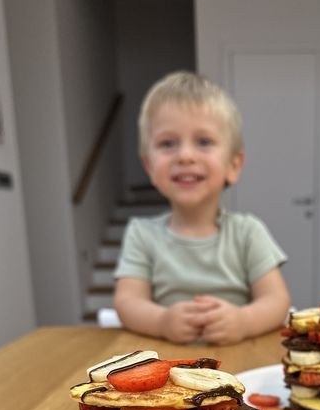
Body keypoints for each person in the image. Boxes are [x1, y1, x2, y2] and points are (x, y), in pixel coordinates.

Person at [114, 71, 291, 344]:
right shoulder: (141, 234)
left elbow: (277, 300)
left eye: (204, 142)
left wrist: (243, 322)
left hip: (238, 365)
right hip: (168, 368)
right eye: (168, 143)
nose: (185, 155)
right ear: (149, 166)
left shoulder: (248, 232)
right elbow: (127, 302)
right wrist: (162, 322)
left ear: (233, 165)